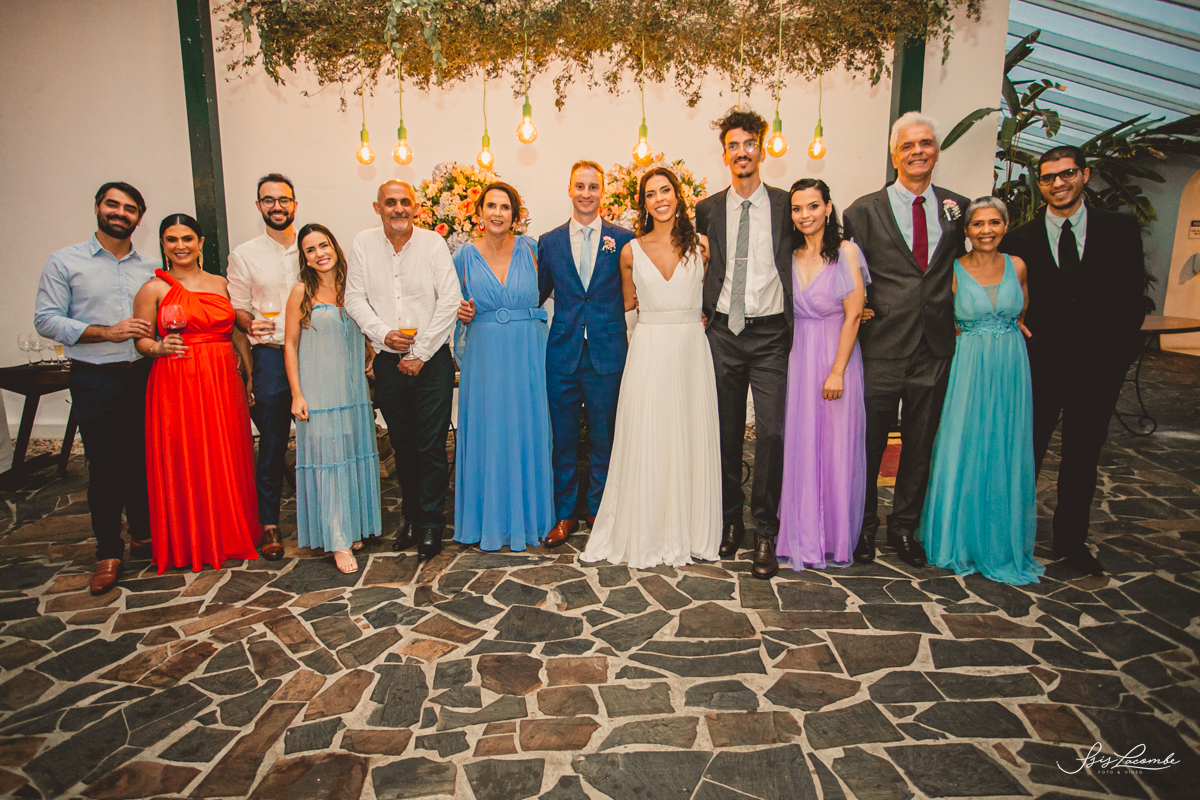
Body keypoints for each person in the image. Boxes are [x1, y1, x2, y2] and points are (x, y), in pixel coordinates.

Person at [1001, 146, 1145, 575]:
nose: (1058, 184)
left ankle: (1071, 540)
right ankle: (1013, 536)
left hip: (1098, 366)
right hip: (1040, 365)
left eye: (1066, 174)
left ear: (1084, 174)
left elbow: (1132, 294)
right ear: (1040, 184)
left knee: (1083, 455)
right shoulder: (1020, 238)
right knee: (1027, 452)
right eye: (1048, 178)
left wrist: (1117, 355)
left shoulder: (1119, 228)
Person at [842, 111, 969, 568]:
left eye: (926, 143)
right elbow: (849, 272)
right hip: (881, 344)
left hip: (935, 346)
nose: (918, 151)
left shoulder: (958, 208)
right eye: (908, 145)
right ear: (894, 155)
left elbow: (971, 264)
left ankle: (903, 528)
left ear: (937, 150)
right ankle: (862, 528)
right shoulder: (861, 211)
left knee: (919, 443)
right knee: (869, 444)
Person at [581, 167, 721, 568]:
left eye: (665, 190)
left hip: (690, 349)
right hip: (648, 348)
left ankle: (690, 528)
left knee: (688, 432)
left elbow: (713, 295)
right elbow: (628, 305)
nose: (659, 199)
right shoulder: (630, 251)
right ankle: (646, 526)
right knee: (648, 433)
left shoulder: (702, 246)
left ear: (677, 195)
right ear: (642, 203)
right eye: (650, 194)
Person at [34, 182, 158, 594]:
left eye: (129, 208)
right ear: (97, 208)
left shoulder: (152, 267)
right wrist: (107, 332)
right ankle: (108, 550)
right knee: (106, 466)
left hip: (145, 374)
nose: (120, 213)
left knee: (144, 459)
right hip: (96, 376)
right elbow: (46, 320)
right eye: (112, 205)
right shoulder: (65, 261)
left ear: (139, 217)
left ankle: (143, 534)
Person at [919, 198, 1044, 584]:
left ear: (1005, 226)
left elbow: (1022, 308)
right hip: (969, 366)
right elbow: (938, 314)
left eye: (994, 222)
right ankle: (959, 537)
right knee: (964, 443)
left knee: (1005, 446)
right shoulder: (954, 270)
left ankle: (999, 540)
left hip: (1010, 365)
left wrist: (1012, 328)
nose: (986, 230)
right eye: (978, 224)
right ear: (966, 230)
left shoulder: (1017, 266)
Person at [695, 109, 794, 579]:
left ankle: (766, 531)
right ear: (724, 155)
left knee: (771, 433)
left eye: (749, 144)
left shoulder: (786, 205)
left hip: (771, 333)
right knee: (725, 432)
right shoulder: (708, 209)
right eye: (733, 146)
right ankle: (729, 520)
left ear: (762, 148)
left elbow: (821, 247)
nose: (742, 152)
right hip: (724, 334)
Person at [132, 214, 261, 573]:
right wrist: (158, 347)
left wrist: (250, 373)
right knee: (187, 455)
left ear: (200, 243)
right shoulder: (153, 289)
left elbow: (236, 332)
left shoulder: (221, 284)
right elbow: (141, 340)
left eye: (187, 238)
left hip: (222, 379)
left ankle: (231, 530)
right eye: (172, 239)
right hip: (178, 378)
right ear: (163, 244)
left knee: (225, 451)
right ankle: (193, 538)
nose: (180, 246)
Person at [344, 180, 461, 560]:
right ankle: (410, 518)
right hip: (387, 359)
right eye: (390, 202)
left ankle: (431, 524)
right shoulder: (363, 243)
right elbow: (353, 298)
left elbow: (450, 300)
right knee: (403, 445)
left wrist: (421, 352)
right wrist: (382, 333)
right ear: (377, 207)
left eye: (405, 202)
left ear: (416, 207)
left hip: (431, 360)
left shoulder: (432, 244)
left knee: (431, 446)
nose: (398, 209)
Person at [536, 161, 636, 547]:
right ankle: (565, 513)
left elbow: (634, 291)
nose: (586, 193)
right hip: (562, 352)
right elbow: (537, 294)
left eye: (593, 186)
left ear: (602, 191)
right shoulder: (549, 241)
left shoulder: (623, 239)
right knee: (562, 439)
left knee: (604, 436)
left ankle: (599, 509)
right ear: (570, 189)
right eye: (580, 186)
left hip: (607, 352)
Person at [451, 183, 554, 551]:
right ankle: (488, 520)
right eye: (491, 206)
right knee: (489, 429)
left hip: (527, 352)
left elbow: (566, 290)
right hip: (486, 357)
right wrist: (460, 312)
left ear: (515, 214)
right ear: (479, 212)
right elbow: (448, 304)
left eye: (505, 207)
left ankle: (531, 519)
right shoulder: (463, 257)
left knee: (527, 427)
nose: (498, 213)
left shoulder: (534, 250)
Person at [777, 179, 869, 570]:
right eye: (797, 208)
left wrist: (837, 371)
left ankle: (834, 536)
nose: (805, 215)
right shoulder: (789, 254)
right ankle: (801, 532)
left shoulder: (846, 252)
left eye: (813, 206)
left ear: (828, 208)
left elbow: (854, 314)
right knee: (801, 444)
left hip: (836, 355)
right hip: (799, 357)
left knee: (835, 447)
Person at [284, 223, 381, 574]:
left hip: (352, 391)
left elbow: (365, 330)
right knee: (329, 462)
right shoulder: (300, 293)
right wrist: (297, 394)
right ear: (304, 258)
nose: (319, 254)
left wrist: (371, 354)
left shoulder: (352, 288)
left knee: (350, 457)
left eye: (323, 245)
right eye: (310, 250)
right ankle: (338, 539)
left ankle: (351, 527)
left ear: (335, 247)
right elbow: (290, 345)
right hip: (319, 392)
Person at [227, 173, 301, 561]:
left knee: (321, 437)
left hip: (313, 353)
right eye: (268, 200)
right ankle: (269, 522)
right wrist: (248, 323)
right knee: (272, 442)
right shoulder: (244, 255)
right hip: (271, 355)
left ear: (294, 204)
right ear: (259, 206)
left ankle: (323, 513)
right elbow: (238, 308)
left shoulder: (312, 246)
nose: (277, 206)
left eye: (283, 199)